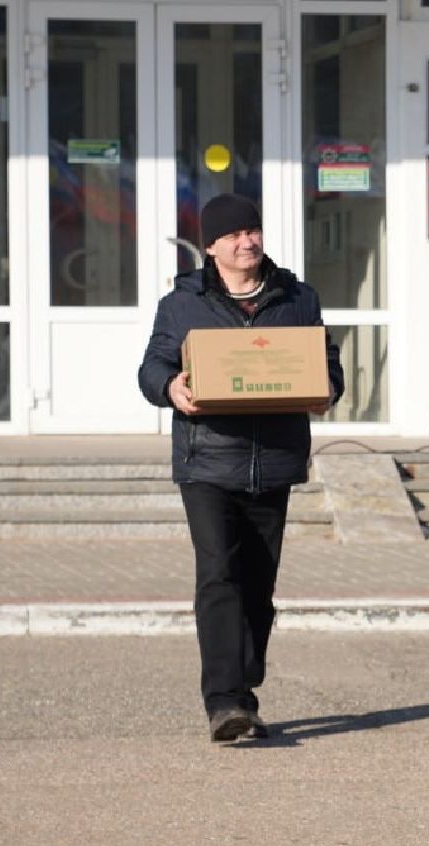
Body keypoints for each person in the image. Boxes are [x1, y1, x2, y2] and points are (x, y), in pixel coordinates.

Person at [136, 193, 343, 743]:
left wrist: (327, 389)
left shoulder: (298, 298)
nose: (246, 241)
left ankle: (243, 680)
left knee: (258, 583)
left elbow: (327, 363)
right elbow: (152, 367)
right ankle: (225, 700)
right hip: (206, 460)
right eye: (232, 235)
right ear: (210, 246)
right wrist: (170, 387)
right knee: (219, 575)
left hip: (273, 461)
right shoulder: (183, 302)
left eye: (252, 230)